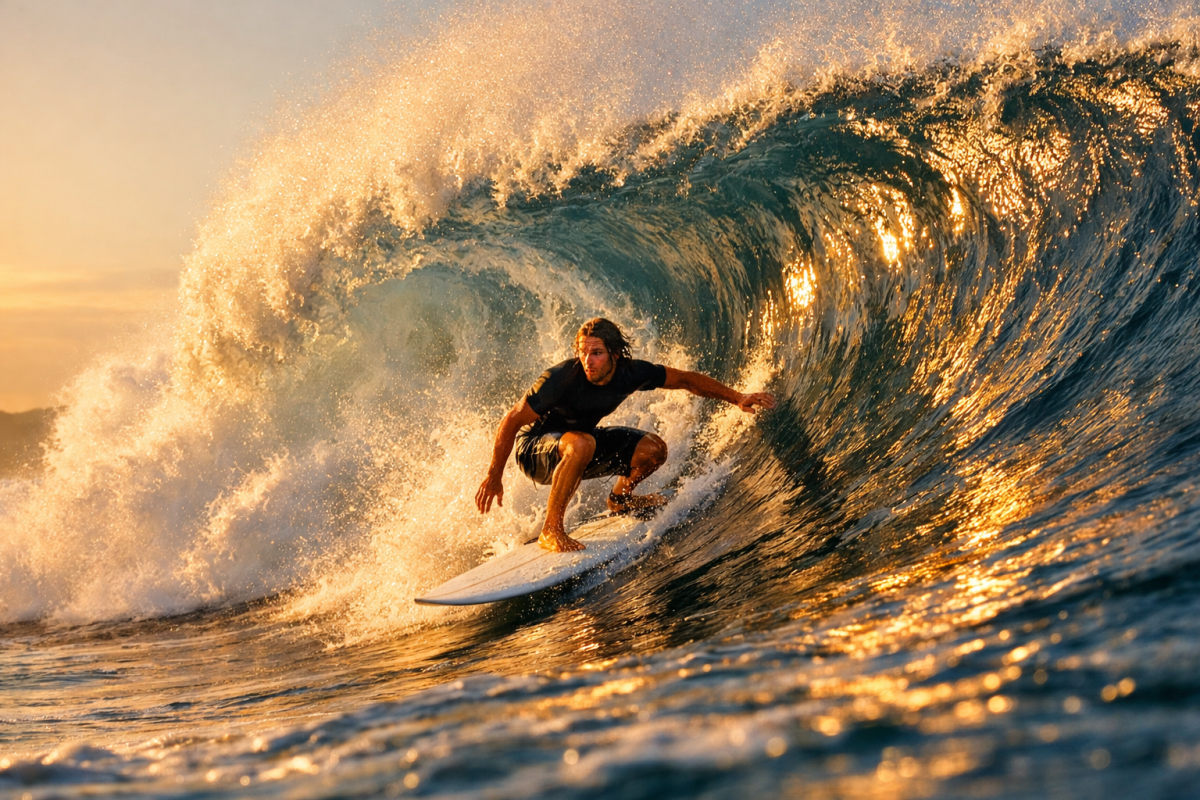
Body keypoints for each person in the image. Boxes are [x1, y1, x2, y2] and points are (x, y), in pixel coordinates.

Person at [475, 318, 775, 552]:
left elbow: (685, 380)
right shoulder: (560, 379)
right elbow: (512, 420)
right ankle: (551, 530)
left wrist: (737, 397)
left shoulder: (631, 373)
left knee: (653, 450)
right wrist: (494, 475)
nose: (588, 361)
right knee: (582, 442)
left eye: (596, 354)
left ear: (615, 355)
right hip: (535, 449)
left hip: (580, 445)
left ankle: (620, 499)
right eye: (583, 353)